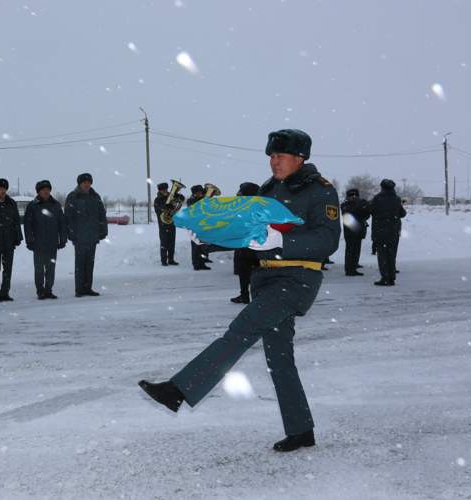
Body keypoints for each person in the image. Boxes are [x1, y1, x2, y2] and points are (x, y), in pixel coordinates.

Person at [139, 129, 340, 452]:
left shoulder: (320, 191)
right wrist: (210, 240)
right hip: (266, 278)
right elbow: (247, 233)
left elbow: (329, 240)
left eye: (280, 156)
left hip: (298, 279)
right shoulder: (269, 189)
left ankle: (179, 390)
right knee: (279, 359)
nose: (274, 161)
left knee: (240, 331)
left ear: (300, 157)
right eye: (271, 156)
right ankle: (301, 430)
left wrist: (283, 241)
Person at [65, 173, 108, 297]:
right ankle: (79, 289)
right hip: (79, 237)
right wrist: (71, 233)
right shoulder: (73, 197)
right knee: (80, 264)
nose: (86, 184)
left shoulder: (95, 197)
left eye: (88, 182)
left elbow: (101, 215)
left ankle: (88, 288)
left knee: (89, 264)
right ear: (79, 183)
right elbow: (68, 217)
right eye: (84, 182)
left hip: (92, 236)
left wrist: (103, 230)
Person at [24, 180, 67, 299]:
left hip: (52, 243)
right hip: (38, 243)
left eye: (48, 189)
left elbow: (62, 224)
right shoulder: (32, 206)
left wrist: (62, 239)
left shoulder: (56, 205)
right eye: (43, 190)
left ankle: (48, 290)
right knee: (39, 269)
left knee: (50, 268)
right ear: (38, 192)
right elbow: (28, 225)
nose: (46, 191)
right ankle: (40, 291)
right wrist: (29, 240)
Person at [369, 179, 406, 286]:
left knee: (382, 256)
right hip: (394, 231)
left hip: (380, 231)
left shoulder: (377, 199)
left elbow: (369, 210)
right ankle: (391, 278)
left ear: (382, 187)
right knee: (391, 254)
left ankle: (385, 277)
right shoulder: (397, 199)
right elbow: (402, 214)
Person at [230, 182, 260, 304]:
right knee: (247, 273)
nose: (238, 194)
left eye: (241, 192)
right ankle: (249, 295)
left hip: (250, 246)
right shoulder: (256, 205)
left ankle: (247, 296)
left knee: (247, 273)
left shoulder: (248, 207)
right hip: (252, 246)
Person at [340, 188, 370, 276]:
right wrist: (359, 205)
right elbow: (348, 214)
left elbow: (366, 214)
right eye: (352, 196)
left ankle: (353, 267)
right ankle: (349, 269)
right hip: (351, 231)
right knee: (350, 250)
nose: (354, 197)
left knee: (356, 250)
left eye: (355, 196)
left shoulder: (358, 204)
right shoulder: (345, 205)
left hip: (357, 230)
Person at [153, 182, 182, 266]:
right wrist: (166, 207)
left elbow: (180, 199)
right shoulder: (157, 199)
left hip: (171, 223)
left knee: (172, 242)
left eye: (166, 189)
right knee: (164, 243)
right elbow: (158, 209)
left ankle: (171, 259)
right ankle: (164, 260)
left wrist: (178, 196)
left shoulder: (171, 196)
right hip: (163, 224)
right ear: (160, 190)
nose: (165, 191)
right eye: (163, 190)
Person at [186, 185, 209, 270]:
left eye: (201, 192)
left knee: (203, 246)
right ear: (195, 193)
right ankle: (196, 264)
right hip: (194, 226)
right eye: (199, 192)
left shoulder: (203, 199)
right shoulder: (190, 201)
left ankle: (202, 263)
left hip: (203, 225)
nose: (201, 193)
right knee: (195, 246)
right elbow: (195, 207)